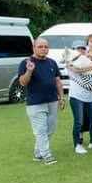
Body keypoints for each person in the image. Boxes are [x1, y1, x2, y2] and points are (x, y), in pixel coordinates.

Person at [19, 37, 65, 165]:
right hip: (35, 103)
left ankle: (38, 153)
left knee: (50, 129)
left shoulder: (52, 63)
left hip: (52, 101)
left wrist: (61, 98)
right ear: (34, 48)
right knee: (40, 130)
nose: (43, 49)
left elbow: (57, 81)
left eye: (46, 47)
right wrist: (29, 71)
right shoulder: (26, 63)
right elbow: (23, 82)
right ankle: (47, 155)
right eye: (40, 47)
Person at [65, 41, 92, 154]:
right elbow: (75, 69)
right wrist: (91, 67)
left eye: (83, 48)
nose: (81, 50)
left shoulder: (87, 61)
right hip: (76, 96)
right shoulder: (69, 61)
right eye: (78, 48)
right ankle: (77, 145)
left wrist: (91, 65)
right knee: (79, 122)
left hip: (89, 96)